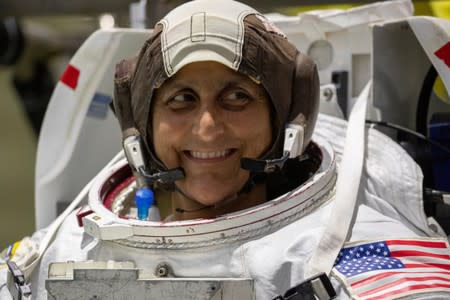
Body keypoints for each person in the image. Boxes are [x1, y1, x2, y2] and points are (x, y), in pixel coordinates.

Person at [1, 0, 450, 299]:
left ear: (287, 118)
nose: (208, 128)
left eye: (238, 97)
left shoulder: (353, 257)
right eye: (182, 100)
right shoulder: (63, 250)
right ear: (140, 125)